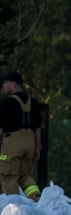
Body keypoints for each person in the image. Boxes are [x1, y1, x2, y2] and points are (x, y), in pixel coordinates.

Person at [0, 72, 41, 201]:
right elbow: (37, 128)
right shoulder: (33, 102)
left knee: (8, 176)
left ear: (13, 83)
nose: (4, 87)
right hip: (30, 143)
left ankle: (13, 208)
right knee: (25, 176)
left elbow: (0, 128)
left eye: (5, 84)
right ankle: (36, 200)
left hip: (12, 142)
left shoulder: (7, 102)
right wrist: (37, 147)